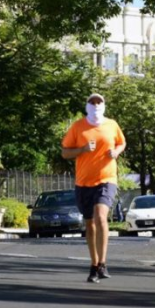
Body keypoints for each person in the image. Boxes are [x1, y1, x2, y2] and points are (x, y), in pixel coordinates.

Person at [62, 93, 126, 283]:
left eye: (99, 102)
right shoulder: (78, 126)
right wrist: (81, 150)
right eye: (92, 102)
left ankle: (103, 263)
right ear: (87, 105)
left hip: (106, 179)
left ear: (104, 105)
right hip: (83, 183)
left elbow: (122, 142)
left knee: (100, 216)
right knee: (89, 224)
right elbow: (65, 152)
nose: (96, 105)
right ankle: (94, 264)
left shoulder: (112, 125)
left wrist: (116, 151)